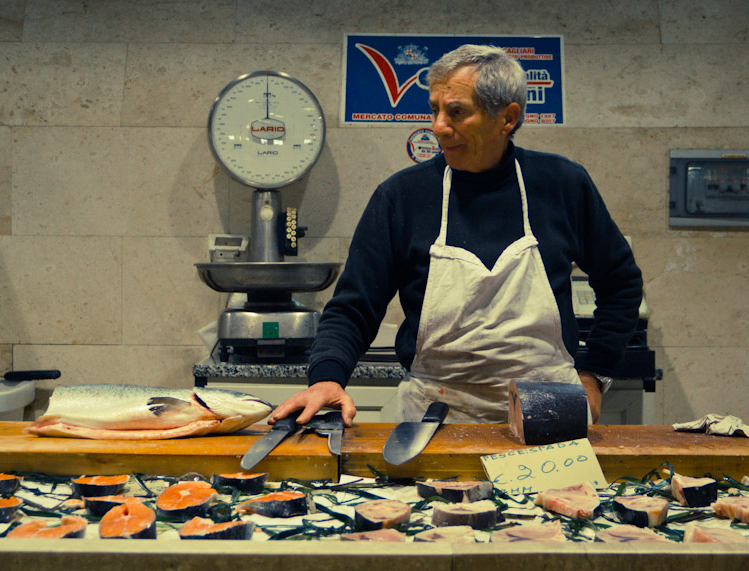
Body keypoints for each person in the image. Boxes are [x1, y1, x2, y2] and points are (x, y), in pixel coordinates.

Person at [270, 44, 643, 428]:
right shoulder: (402, 197)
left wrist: (595, 374)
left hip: (550, 410)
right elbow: (354, 306)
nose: (438, 127)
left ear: (507, 118)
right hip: (435, 417)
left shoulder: (562, 184)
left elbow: (622, 283)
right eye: (434, 109)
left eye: (457, 112)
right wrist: (327, 377)